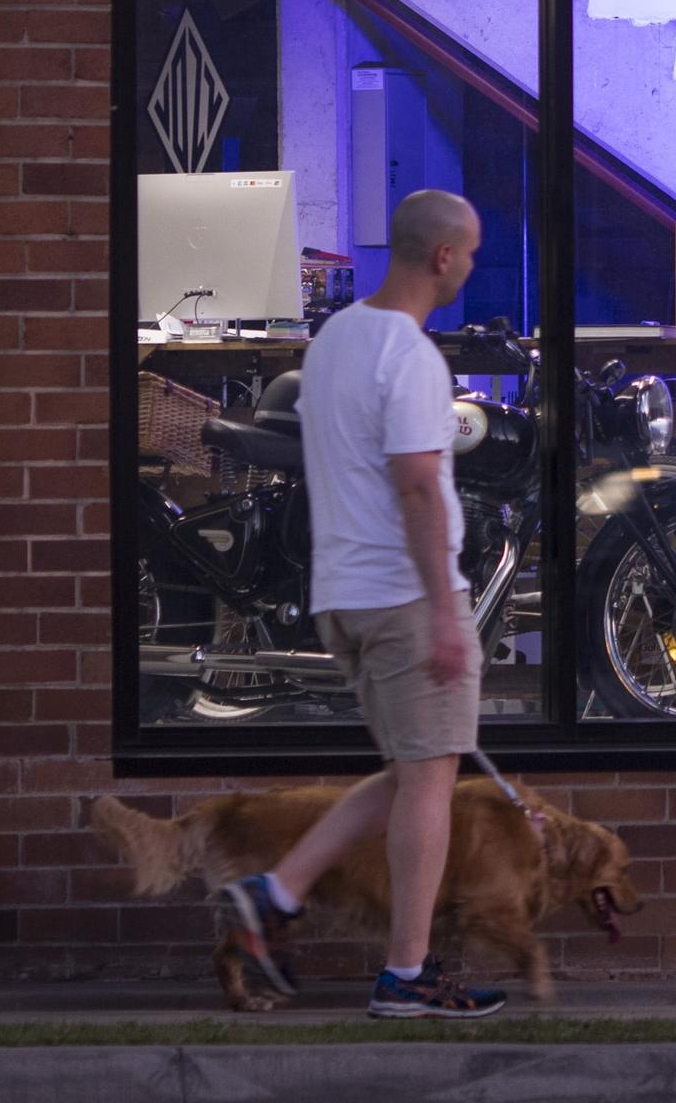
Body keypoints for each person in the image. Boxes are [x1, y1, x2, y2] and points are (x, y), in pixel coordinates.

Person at [215, 189, 506, 1019]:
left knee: (418, 770)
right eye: (473, 252)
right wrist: (448, 616)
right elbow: (418, 487)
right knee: (430, 784)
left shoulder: (336, 338)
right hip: (406, 595)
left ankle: (276, 893)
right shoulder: (410, 357)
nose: (473, 266)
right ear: (443, 257)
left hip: (342, 592)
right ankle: (406, 976)